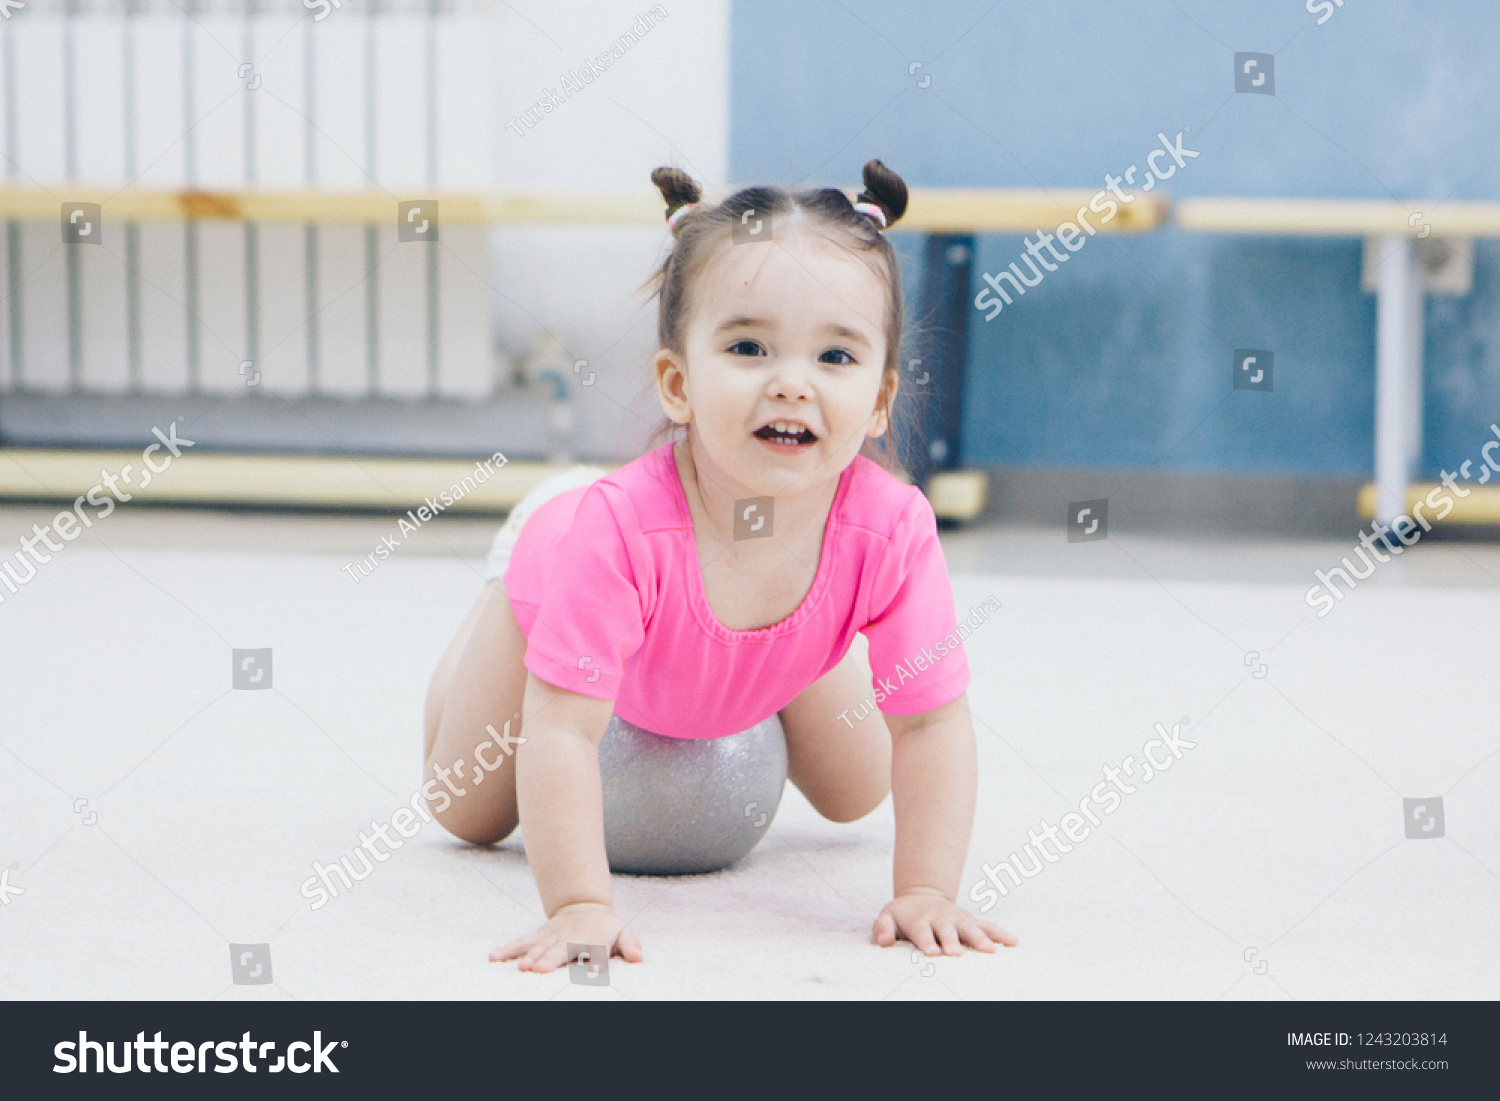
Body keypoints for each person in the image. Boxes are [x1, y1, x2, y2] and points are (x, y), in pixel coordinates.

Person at [423, 160, 1017, 973]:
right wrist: (580, 905)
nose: (790, 384)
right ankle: (488, 614)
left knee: (858, 788)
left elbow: (933, 722)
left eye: (834, 358)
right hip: (561, 564)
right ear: (678, 383)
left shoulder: (893, 529)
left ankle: (767, 636)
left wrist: (926, 888)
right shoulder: (619, 529)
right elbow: (563, 730)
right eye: (748, 346)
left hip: (743, 606)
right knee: (462, 806)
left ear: (879, 400)